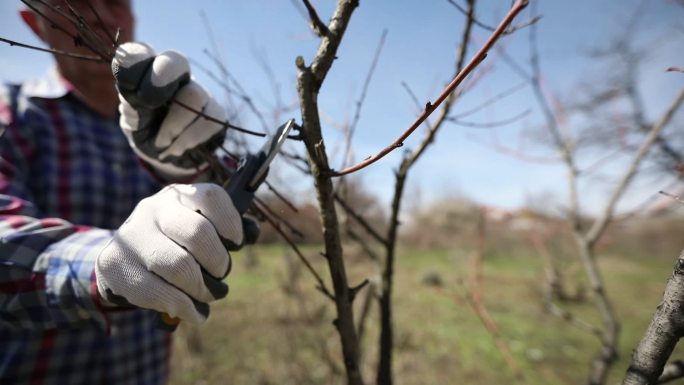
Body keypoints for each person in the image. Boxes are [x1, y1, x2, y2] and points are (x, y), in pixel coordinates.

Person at [0, 1, 246, 384]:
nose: (101, 16)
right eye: (76, 3)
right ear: (33, 22)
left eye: (115, 1)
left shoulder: (161, 122)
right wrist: (106, 264)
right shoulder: (10, 115)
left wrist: (197, 168)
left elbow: (238, 220)